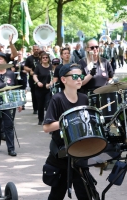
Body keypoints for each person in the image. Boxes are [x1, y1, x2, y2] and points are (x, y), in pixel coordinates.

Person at [42, 63, 92, 200]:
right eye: (75, 76)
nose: (79, 79)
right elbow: (46, 127)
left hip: (80, 153)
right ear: (63, 80)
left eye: (81, 76)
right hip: (62, 153)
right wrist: (68, 121)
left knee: (85, 194)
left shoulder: (84, 98)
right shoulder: (57, 99)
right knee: (57, 194)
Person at [33, 52, 52, 125]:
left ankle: (48, 119)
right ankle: (41, 119)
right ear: (41, 59)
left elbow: (54, 77)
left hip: (48, 89)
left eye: (46, 57)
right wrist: (38, 82)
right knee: (40, 105)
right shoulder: (38, 67)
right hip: (39, 89)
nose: (45, 59)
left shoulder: (51, 67)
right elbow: (34, 75)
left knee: (48, 104)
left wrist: (50, 84)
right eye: (43, 58)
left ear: (48, 59)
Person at [24, 45, 40, 114]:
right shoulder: (29, 58)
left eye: (37, 49)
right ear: (33, 50)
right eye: (35, 49)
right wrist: (30, 70)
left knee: (41, 94)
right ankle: (35, 108)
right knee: (34, 94)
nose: (36, 50)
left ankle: (41, 107)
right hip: (32, 79)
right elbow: (25, 67)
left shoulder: (42, 57)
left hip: (41, 78)